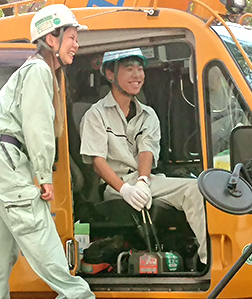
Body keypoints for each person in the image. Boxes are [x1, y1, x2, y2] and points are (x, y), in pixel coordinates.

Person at [0, 4, 120, 299]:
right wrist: (42, 174)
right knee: (37, 229)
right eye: (71, 37)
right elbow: (36, 125)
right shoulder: (38, 71)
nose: (76, 44)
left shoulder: (32, 69)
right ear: (51, 38)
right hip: (7, 155)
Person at [79, 48, 208, 265]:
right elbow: (98, 162)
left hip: (143, 181)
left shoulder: (148, 114)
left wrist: (143, 180)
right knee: (193, 190)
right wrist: (125, 189)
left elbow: (147, 150)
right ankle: (211, 262)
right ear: (110, 74)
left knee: (199, 186)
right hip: (115, 187)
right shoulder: (95, 115)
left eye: (140, 69)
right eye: (129, 69)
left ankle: (205, 261)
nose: (137, 75)